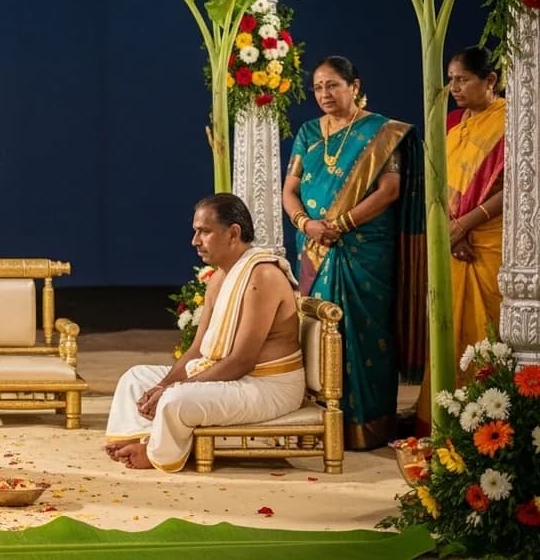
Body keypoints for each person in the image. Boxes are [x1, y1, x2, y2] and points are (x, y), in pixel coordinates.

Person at [281, 55, 425, 450]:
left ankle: (369, 426)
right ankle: (321, 423)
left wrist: (341, 225)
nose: (324, 94)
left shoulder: (381, 132)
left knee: (364, 332)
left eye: (333, 85)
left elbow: (390, 190)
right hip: (314, 246)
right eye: (318, 88)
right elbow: (289, 190)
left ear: (355, 86)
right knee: (317, 330)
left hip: (365, 249)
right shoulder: (309, 132)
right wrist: (306, 225)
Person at [105, 194, 305, 471]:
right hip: (236, 379)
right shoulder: (220, 277)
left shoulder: (263, 276)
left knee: (175, 399)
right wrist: (161, 385)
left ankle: (154, 450)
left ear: (233, 233)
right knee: (136, 378)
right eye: (195, 231)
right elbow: (198, 349)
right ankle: (140, 437)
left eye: (204, 231)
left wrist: (173, 389)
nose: (195, 241)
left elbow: (241, 361)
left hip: (267, 387)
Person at [416, 49, 506, 428]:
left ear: (490, 81)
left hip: (490, 238)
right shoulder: (451, 121)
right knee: (448, 327)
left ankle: (491, 420)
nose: (453, 86)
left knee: (491, 329)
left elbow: (516, 185)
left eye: (463, 79)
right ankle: (444, 419)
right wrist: (450, 231)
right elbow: (437, 179)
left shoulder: (512, 122)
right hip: (451, 241)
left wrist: (467, 223)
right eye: (451, 78)